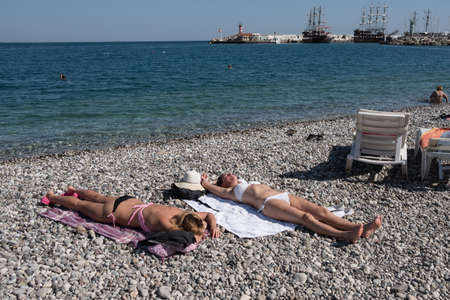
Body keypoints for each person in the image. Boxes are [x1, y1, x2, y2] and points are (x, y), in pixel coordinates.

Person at [201, 173, 382, 243]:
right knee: (306, 218)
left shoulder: (244, 182)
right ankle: (345, 235)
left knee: (322, 211)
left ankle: (361, 228)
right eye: (225, 176)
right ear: (223, 183)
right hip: (269, 204)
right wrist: (205, 182)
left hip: (282, 195)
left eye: (230, 172)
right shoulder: (231, 192)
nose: (229, 174)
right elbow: (213, 189)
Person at [44, 186, 220, 242]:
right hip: (113, 213)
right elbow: (188, 240)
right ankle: (52, 197)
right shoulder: (169, 226)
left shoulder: (182, 212)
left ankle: (74, 189)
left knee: (98, 196)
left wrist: (210, 223)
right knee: (80, 206)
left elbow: (208, 215)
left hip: (129, 201)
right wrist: (201, 233)